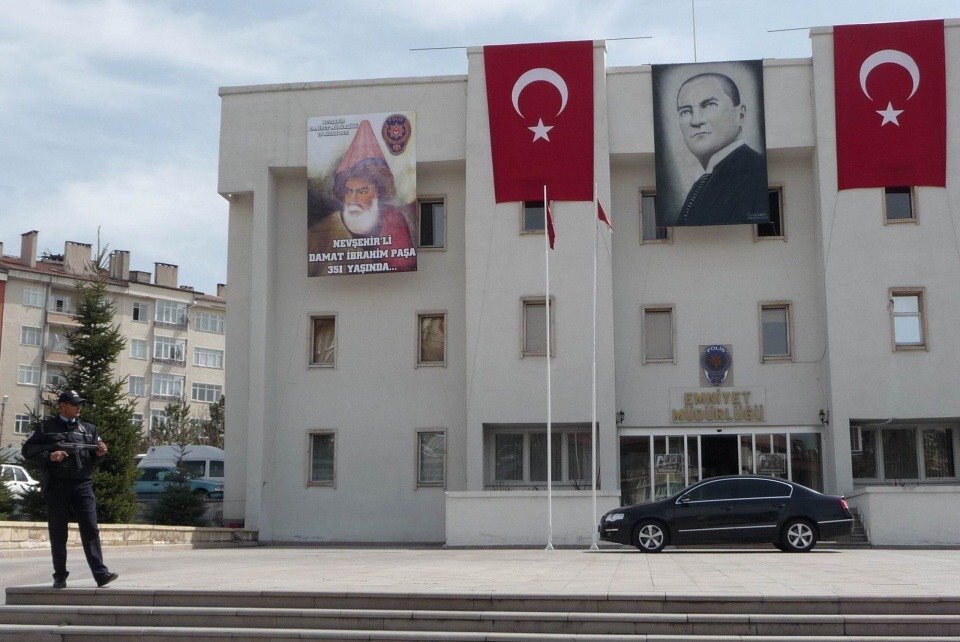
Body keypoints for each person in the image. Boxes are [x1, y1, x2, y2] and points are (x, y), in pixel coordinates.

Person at [22, 390, 118, 589]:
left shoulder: (89, 429)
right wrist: (49, 456)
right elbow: (28, 451)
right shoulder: (45, 427)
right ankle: (60, 576)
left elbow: (94, 458)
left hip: (83, 485)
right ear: (63, 405)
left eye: (80, 404)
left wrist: (100, 453)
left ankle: (101, 574)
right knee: (58, 532)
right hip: (57, 485)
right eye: (75, 404)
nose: (79, 407)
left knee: (91, 528)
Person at [308, 119, 417, 276]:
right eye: (349, 192)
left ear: (377, 193)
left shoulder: (394, 220)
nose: (353, 200)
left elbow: (404, 268)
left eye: (361, 192)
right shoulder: (326, 230)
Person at [673, 72, 768, 227]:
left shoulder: (756, 172)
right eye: (685, 111)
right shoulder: (704, 179)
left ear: (740, 114)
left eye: (709, 105)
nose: (696, 121)